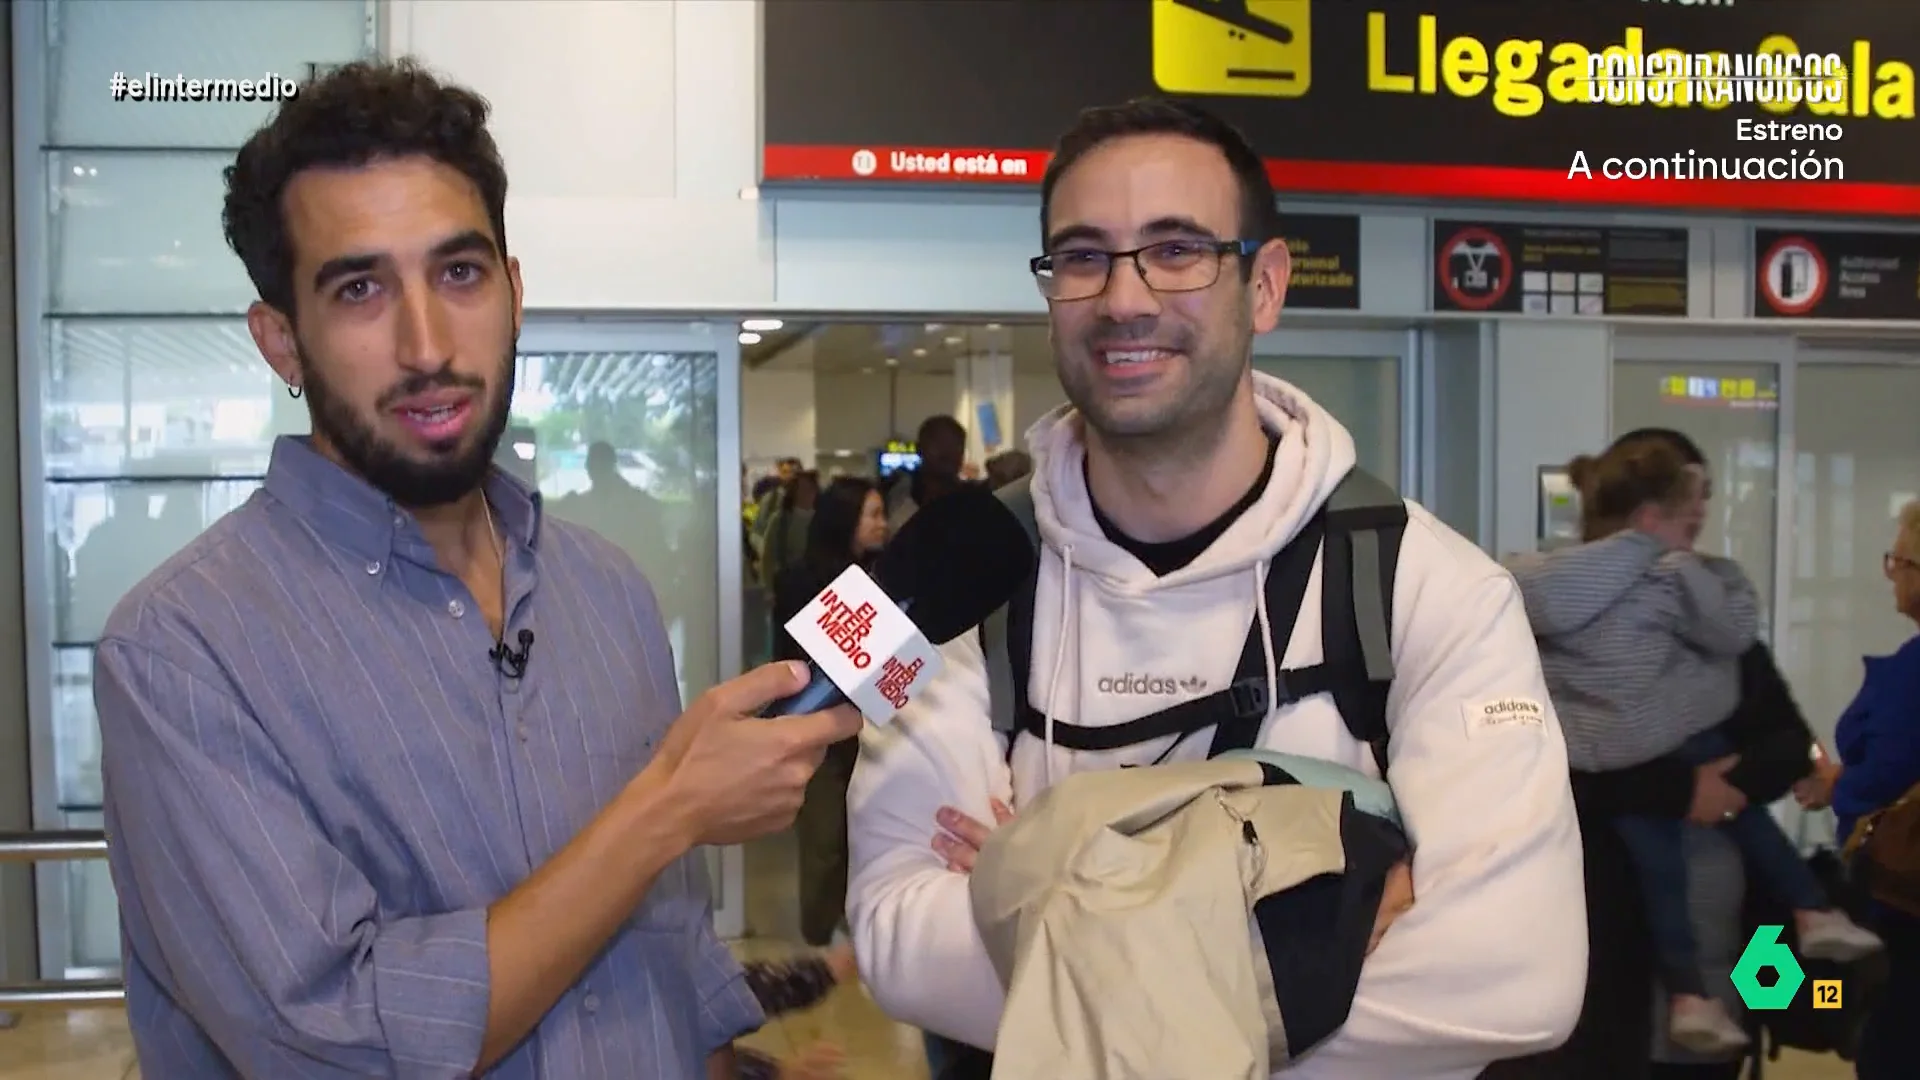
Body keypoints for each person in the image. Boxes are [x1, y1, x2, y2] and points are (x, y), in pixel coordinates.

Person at [90, 60, 862, 1080]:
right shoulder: (183, 651)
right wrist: (666, 806)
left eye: (460, 273)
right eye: (360, 289)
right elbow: (337, 1041)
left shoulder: (607, 592)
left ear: (514, 288)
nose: (427, 345)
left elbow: (669, 953)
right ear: (281, 340)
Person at [844, 97, 1585, 1079]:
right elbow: (895, 938)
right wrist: (1320, 932)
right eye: (1082, 256)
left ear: (1265, 285)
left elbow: (1516, 975)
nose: (1125, 298)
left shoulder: (1430, 586)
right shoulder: (948, 582)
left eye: (1178, 249)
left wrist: (1042, 894)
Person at [1508, 441, 1880, 1056]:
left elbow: (1787, 740)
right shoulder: (1541, 627)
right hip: (1592, 954)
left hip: (1722, 946)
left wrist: (1729, 789)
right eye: (1692, 509)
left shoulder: (1702, 611)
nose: (1701, 524)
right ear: (1646, 520)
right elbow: (1527, 766)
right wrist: (1682, 789)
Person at [1797, 497, 1920, 1079]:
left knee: (1891, 1035)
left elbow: (1887, 774)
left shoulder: (1913, 676)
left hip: (1905, 895)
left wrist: (1835, 783)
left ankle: (1801, 1013)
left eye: (1897, 561)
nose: (1890, 574)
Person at [772, 477, 890, 947]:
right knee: (824, 837)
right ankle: (818, 934)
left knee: (864, 832)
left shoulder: (883, 574)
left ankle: (851, 926)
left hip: (875, 726)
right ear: (846, 520)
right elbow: (792, 660)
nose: (884, 524)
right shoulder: (802, 578)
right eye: (874, 514)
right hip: (818, 725)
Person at [886, 415, 970, 532]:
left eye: (955, 445)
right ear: (919, 448)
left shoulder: (973, 501)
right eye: (939, 444)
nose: (947, 452)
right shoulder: (896, 495)